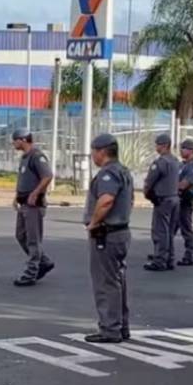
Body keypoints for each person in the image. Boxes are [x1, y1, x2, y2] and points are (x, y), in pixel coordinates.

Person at [83, 133, 133, 343]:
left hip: (107, 235)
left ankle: (110, 328)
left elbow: (106, 200)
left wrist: (93, 223)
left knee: (106, 283)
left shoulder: (108, 173)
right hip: (120, 232)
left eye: (93, 151)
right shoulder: (123, 171)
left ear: (102, 151)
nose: (92, 156)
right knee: (117, 281)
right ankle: (121, 325)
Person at [11, 127, 54, 287]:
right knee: (20, 236)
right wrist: (16, 197)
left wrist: (36, 193)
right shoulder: (25, 158)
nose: (13, 143)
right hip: (23, 203)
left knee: (33, 240)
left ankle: (31, 273)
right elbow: (23, 180)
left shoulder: (37, 156)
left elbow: (47, 176)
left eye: (15, 140)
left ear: (22, 140)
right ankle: (44, 261)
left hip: (33, 205)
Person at [143, 133, 180, 271]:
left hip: (163, 200)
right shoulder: (175, 161)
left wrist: (147, 193)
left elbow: (149, 182)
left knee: (160, 231)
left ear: (164, 145)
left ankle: (160, 261)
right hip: (174, 198)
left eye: (158, 144)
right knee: (169, 231)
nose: (156, 147)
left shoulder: (160, 162)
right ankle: (170, 259)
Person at [176, 139, 193, 267]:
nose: (181, 150)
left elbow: (183, 184)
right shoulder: (182, 165)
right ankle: (164, 252)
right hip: (176, 201)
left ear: (191, 151)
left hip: (185, 201)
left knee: (186, 229)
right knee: (169, 229)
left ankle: (189, 255)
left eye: (184, 148)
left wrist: (170, 187)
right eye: (181, 148)